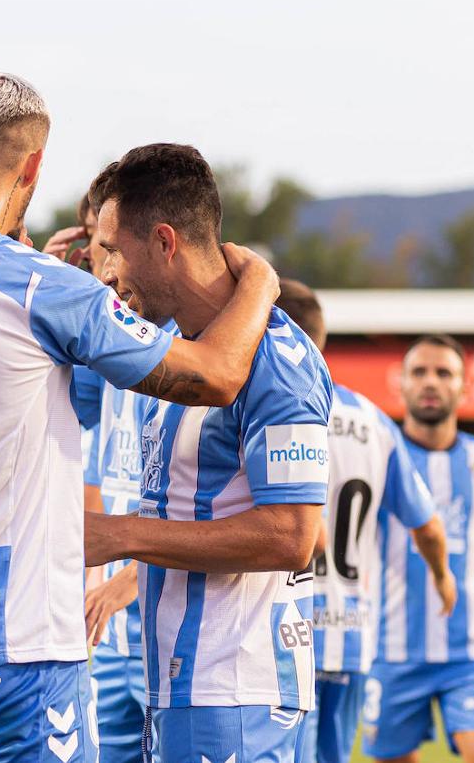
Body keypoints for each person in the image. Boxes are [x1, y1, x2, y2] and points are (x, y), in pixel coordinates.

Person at [0, 74, 280, 763]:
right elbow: (215, 375)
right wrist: (261, 282)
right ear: (33, 168)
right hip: (10, 644)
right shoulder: (40, 285)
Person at [84, 144, 330, 762]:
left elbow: (292, 536)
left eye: (113, 248)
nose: (105, 269)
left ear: (165, 242)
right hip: (177, 685)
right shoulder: (167, 347)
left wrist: (123, 535)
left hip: (238, 694)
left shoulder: (278, 362)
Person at [273, 281, 456, 763]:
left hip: (285, 629)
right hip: (352, 634)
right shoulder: (375, 421)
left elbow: (301, 535)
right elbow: (429, 525)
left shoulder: (268, 404)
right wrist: (442, 576)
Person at [362, 334, 474, 763]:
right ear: (400, 383)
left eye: (444, 373)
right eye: (419, 372)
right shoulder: (376, 456)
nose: (431, 382)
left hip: (473, 653)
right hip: (391, 650)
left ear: (464, 386)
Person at [73, 165, 177, 762]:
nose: (100, 263)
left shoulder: (186, 350)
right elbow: (92, 467)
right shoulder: (108, 342)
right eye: (94, 242)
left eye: (110, 246)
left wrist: (128, 576)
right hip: (108, 627)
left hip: (166, 625)